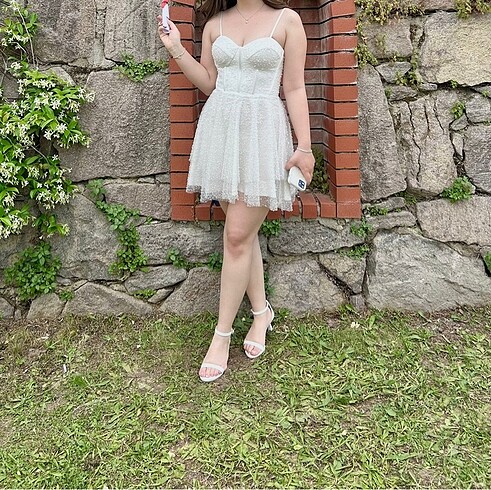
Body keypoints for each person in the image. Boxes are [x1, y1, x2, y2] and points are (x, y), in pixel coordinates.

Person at [157, 0, 315, 382]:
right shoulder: (216, 23)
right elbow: (210, 82)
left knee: (237, 236)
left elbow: (294, 87)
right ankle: (261, 314)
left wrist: (305, 147)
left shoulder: (287, 21)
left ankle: (221, 335)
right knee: (242, 237)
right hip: (221, 133)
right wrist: (176, 48)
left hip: (262, 134)